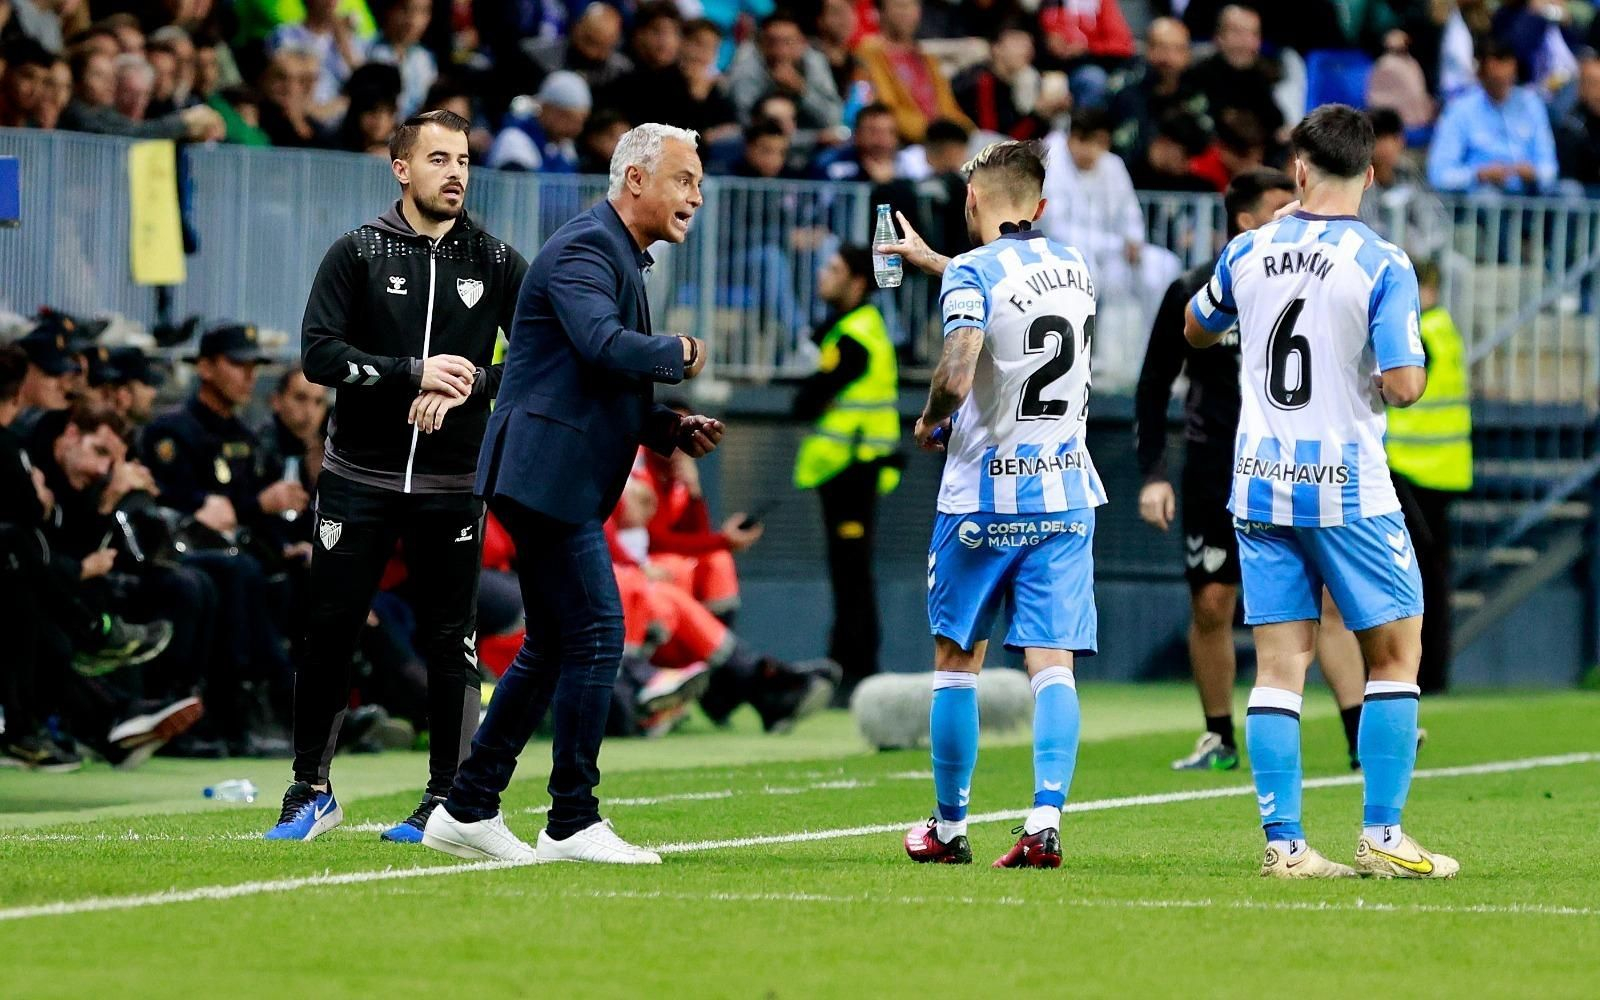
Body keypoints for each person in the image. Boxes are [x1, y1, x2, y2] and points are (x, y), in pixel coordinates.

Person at [420, 123, 724, 866]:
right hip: (544, 471)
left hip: (545, 470)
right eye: (683, 179)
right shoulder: (589, 246)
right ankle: (571, 819)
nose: (696, 194)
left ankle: (467, 807)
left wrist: (666, 429)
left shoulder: (613, 250)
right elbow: (602, 344)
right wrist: (676, 353)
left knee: (553, 644)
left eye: (698, 182)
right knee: (595, 634)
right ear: (636, 181)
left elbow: (591, 379)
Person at [1184, 103, 1457, 879]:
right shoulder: (1383, 263)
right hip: (1344, 485)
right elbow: (1404, 384)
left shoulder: (1250, 247)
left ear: (1297, 171)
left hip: (1260, 482)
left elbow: (1196, 327)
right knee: (1396, 654)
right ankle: (1382, 835)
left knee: (1278, 664)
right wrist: (1393, 374)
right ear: (1370, 175)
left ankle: (1286, 846)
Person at [265, 110, 528, 844]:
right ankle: (310, 790)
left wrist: (469, 384)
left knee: (455, 640)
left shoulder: (499, 262)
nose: (455, 172)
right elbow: (318, 355)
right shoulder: (357, 252)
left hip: (451, 486)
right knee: (329, 632)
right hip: (358, 477)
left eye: (464, 160)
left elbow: (541, 359)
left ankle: (446, 799)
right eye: (438, 158)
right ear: (400, 167)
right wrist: (410, 372)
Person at [877, 140, 1101, 869]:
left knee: (955, 661)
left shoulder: (973, 273)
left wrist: (931, 417)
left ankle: (948, 828)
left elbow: (963, 358)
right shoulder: (1076, 266)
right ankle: (1044, 819)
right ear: (1040, 206)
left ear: (972, 201)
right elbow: (1012, 293)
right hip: (1066, 494)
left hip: (982, 498)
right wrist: (936, 262)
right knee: (1052, 663)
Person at [1135, 169, 1369, 773]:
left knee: (1328, 601)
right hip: (1216, 468)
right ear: (1245, 220)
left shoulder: (1311, 281)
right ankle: (1219, 736)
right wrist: (1154, 472)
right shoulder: (1195, 287)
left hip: (1294, 465)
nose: (1296, 210)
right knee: (1213, 603)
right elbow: (1154, 383)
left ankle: (1359, 735)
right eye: (1279, 205)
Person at [791, 245, 901, 704]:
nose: (823, 274)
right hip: (849, 468)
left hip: (854, 468)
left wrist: (814, 392)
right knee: (848, 572)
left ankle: (856, 671)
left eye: (833, 269)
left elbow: (808, 400)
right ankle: (849, 666)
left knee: (852, 573)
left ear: (857, 282)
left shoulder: (856, 334)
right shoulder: (852, 329)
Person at [1386, 259, 1471, 696]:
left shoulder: (1423, 334)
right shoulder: (1445, 329)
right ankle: (1431, 674)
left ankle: (1422, 675)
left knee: (1419, 580)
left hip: (1414, 470)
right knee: (1432, 577)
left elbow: (1402, 389)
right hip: (1443, 470)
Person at [1426, 38, 1557, 195]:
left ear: (1514, 69)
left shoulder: (1532, 104)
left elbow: (1550, 167)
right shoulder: (1460, 110)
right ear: (1480, 74)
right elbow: (1439, 175)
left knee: (1570, 193)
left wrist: (1535, 173)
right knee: (1488, 198)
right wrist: (1478, 175)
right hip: (1483, 195)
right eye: (1494, 77)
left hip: (1530, 193)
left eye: (1507, 75)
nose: (1501, 79)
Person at [855, 0, 975, 143]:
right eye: (900, 6)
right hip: (905, 144)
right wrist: (934, 133)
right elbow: (886, 107)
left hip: (944, 141)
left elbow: (949, 107)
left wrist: (968, 131)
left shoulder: (927, 58)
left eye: (913, 5)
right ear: (881, 12)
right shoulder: (869, 53)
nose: (907, 12)